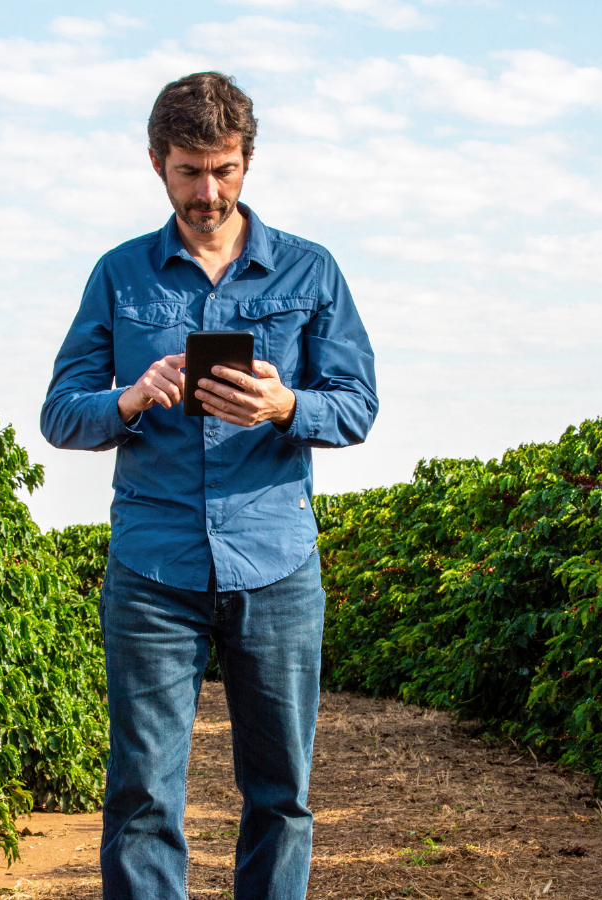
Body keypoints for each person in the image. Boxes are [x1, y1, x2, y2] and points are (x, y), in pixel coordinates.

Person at [40, 71, 378, 900]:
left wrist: (284, 403)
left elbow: (358, 406)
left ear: (248, 162)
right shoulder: (121, 275)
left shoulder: (310, 270)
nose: (208, 191)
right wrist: (129, 397)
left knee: (282, 796)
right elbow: (60, 413)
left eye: (224, 169)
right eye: (189, 170)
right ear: (156, 163)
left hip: (276, 561)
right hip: (155, 569)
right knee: (144, 797)